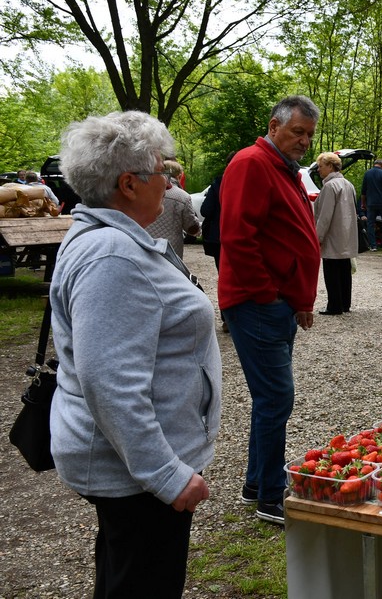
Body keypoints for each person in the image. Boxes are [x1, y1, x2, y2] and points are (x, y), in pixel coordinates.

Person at [49, 110, 222, 598]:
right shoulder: (111, 257)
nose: (169, 187)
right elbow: (111, 383)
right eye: (163, 172)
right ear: (128, 183)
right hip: (137, 476)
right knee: (144, 583)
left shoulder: (114, 241)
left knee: (126, 574)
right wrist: (167, 475)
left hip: (133, 468)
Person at [218, 95, 321, 525]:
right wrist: (267, 294)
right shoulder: (251, 163)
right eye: (298, 132)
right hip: (258, 304)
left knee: (269, 399)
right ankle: (272, 498)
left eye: (310, 135)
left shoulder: (284, 169)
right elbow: (238, 237)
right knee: (277, 397)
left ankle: (256, 484)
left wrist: (299, 300)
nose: (304, 141)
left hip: (277, 304)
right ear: (274, 125)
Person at [314, 151, 360, 314]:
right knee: (344, 269)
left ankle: (334, 306)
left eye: (320, 166)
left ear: (330, 166)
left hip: (333, 234)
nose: (318, 170)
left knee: (332, 270)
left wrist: (318, 237)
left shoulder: (329, 186)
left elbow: (325, 216)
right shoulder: (348, 184)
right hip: (347, 233)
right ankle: (345, 304)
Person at [144, 159, 200, 258]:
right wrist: (199, 228)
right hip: (170, 250)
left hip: (145, 246)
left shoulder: (145, 190)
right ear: (179, 176)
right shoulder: (182, 196)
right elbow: (191, 227)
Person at [200, 151, 236, 273]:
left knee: (223, 273)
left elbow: (205, 210)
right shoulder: (252, 183)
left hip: (218, 237)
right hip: (242, 237)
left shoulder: (217, 184)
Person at [360, 158, 382, 251]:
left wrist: (363, 203)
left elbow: (363, 190)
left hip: (371, 203)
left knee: (370, 224)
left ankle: (373, 245)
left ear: (374, 164)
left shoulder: (367, 174)